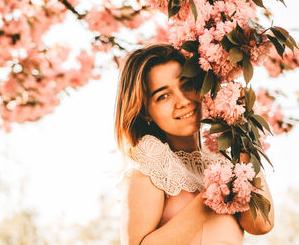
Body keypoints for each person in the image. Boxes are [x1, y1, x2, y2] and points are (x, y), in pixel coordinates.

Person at [114, 44, 274, 245]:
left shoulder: (223, 159)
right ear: (146, 111)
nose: (182, 101)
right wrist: (210, 198)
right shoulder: (149, 167)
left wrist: (243, 139)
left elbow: (261, 224)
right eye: (163, 96)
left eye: (187, 85)